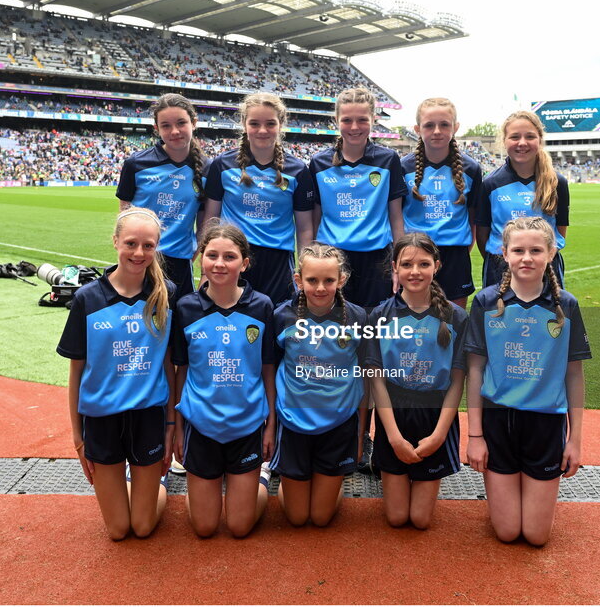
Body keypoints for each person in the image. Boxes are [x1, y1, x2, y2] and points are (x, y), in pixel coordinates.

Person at [465, 216, 590, 546]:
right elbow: (475, 370)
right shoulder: (486, 302)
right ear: (504, 253)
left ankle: (525, 487)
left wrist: (575, 440)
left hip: (545, 424)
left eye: (536, 250)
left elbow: (574, 374)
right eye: (518, 250)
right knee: (507, 533)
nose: (526, 258)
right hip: (497, 422)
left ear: (551, 253)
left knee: (535, 536)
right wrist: (475, 435)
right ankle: (511, 486)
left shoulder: (566, 305)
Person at [56, 207, 176, 540]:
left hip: (148, 418)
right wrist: (78, 437)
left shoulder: (167, 296)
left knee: (142, 526)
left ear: (157, 248)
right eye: (131, 243)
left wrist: (170, 427)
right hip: (102, 421)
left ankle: (157, 484)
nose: (139, 253)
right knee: (118, 530)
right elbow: (76, 372)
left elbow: (170, 366)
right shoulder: (87, 299)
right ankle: (136, 484)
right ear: (115, 242)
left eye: (148, 245)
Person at [171, 221, 276, 538]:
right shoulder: (186, 308)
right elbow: (182, 370)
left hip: (247, 425)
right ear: (199, 258)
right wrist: (176, 427)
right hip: (201, 426)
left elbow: (268, 368)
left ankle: (260, 478)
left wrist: (270, 425)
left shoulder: (261, 306)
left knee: (239, 527)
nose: (219, 264)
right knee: (204, 528)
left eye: (229, 257)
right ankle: (209, 485)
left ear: (244, 263)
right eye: (211, 255)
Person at [366, 233, 467, 529]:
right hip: (392, 417)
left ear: (436, 265)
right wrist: (394, 437)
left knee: (420, 520)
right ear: (395, 267)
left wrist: (438, 436)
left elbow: (457, 383)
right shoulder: (380, 316)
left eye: (424, 264)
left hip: (435, 416)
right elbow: (377, 381)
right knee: (397, 518)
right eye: (407, 264)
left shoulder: (456, 316)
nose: (415, 271)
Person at [269, 244, 369, 526]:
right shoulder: (281, 317)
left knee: (321, 518)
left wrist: (360, 435)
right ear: (298, 279)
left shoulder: (359, 318)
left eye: (329, 280)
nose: (321, 288)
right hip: (294, 423)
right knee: (298, 518)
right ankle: (292, 480)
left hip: (338, 424)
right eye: (312, 280)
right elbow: (273, 371)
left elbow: (364, 379)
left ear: (342, 280)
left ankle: (324, 482)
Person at [204, 93, 315, 305]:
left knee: (275, 325)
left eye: (270, 123)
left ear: (281, 124)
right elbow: (211, 219)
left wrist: (306, 267)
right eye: (254, 123)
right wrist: (206, 265)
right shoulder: (223, 165)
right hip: (231, 257)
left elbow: (304, 229)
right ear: (244, 124)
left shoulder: (298, 170)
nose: (262, 130)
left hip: (278, 264)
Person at [310, 87, 407, 309]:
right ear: (336, 120)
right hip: (330, 258)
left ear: (373, 119)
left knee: (373, 329)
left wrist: (399, 264)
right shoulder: (319, 163)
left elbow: (396, 217)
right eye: (347, 120)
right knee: (335, 328)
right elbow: (315, 218)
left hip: (377, 260)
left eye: (362, 120)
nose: (354, 127)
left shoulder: (388, 159)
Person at [116, 93, 209, 300]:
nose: (174, 131)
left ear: (194, 123)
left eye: (181, 123)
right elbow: (124, 217)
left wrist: (192, 254)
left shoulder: (207, 169)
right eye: (166, 125)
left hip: (180, 264)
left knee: (176, 327)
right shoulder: (136, 165)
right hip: (141, 260)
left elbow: (203, 225)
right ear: (157, 129)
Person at [401, 97, 483, 307]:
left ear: (455, 127)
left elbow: (473, 216)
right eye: (429, 125)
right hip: (414, 253)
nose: (437, 130)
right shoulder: (403, 168)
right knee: (414, 320)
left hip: (455, 256)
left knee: (453, 321)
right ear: (418, 129)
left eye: (444, 124)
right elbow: (396, 214)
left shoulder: (471, 169)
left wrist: (464, 248)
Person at [476, 111, 569, 290]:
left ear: (540, 140)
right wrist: (505, 258)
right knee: (498, 316)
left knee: (547, 317)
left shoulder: (558, 183)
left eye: (530, 136)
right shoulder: (490, 184)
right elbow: (482, 234)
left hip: (545, 267)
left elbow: (559, 231)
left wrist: (541, 255)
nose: (522, 143)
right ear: (504, 141)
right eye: (515, 137)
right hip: (500, 267)